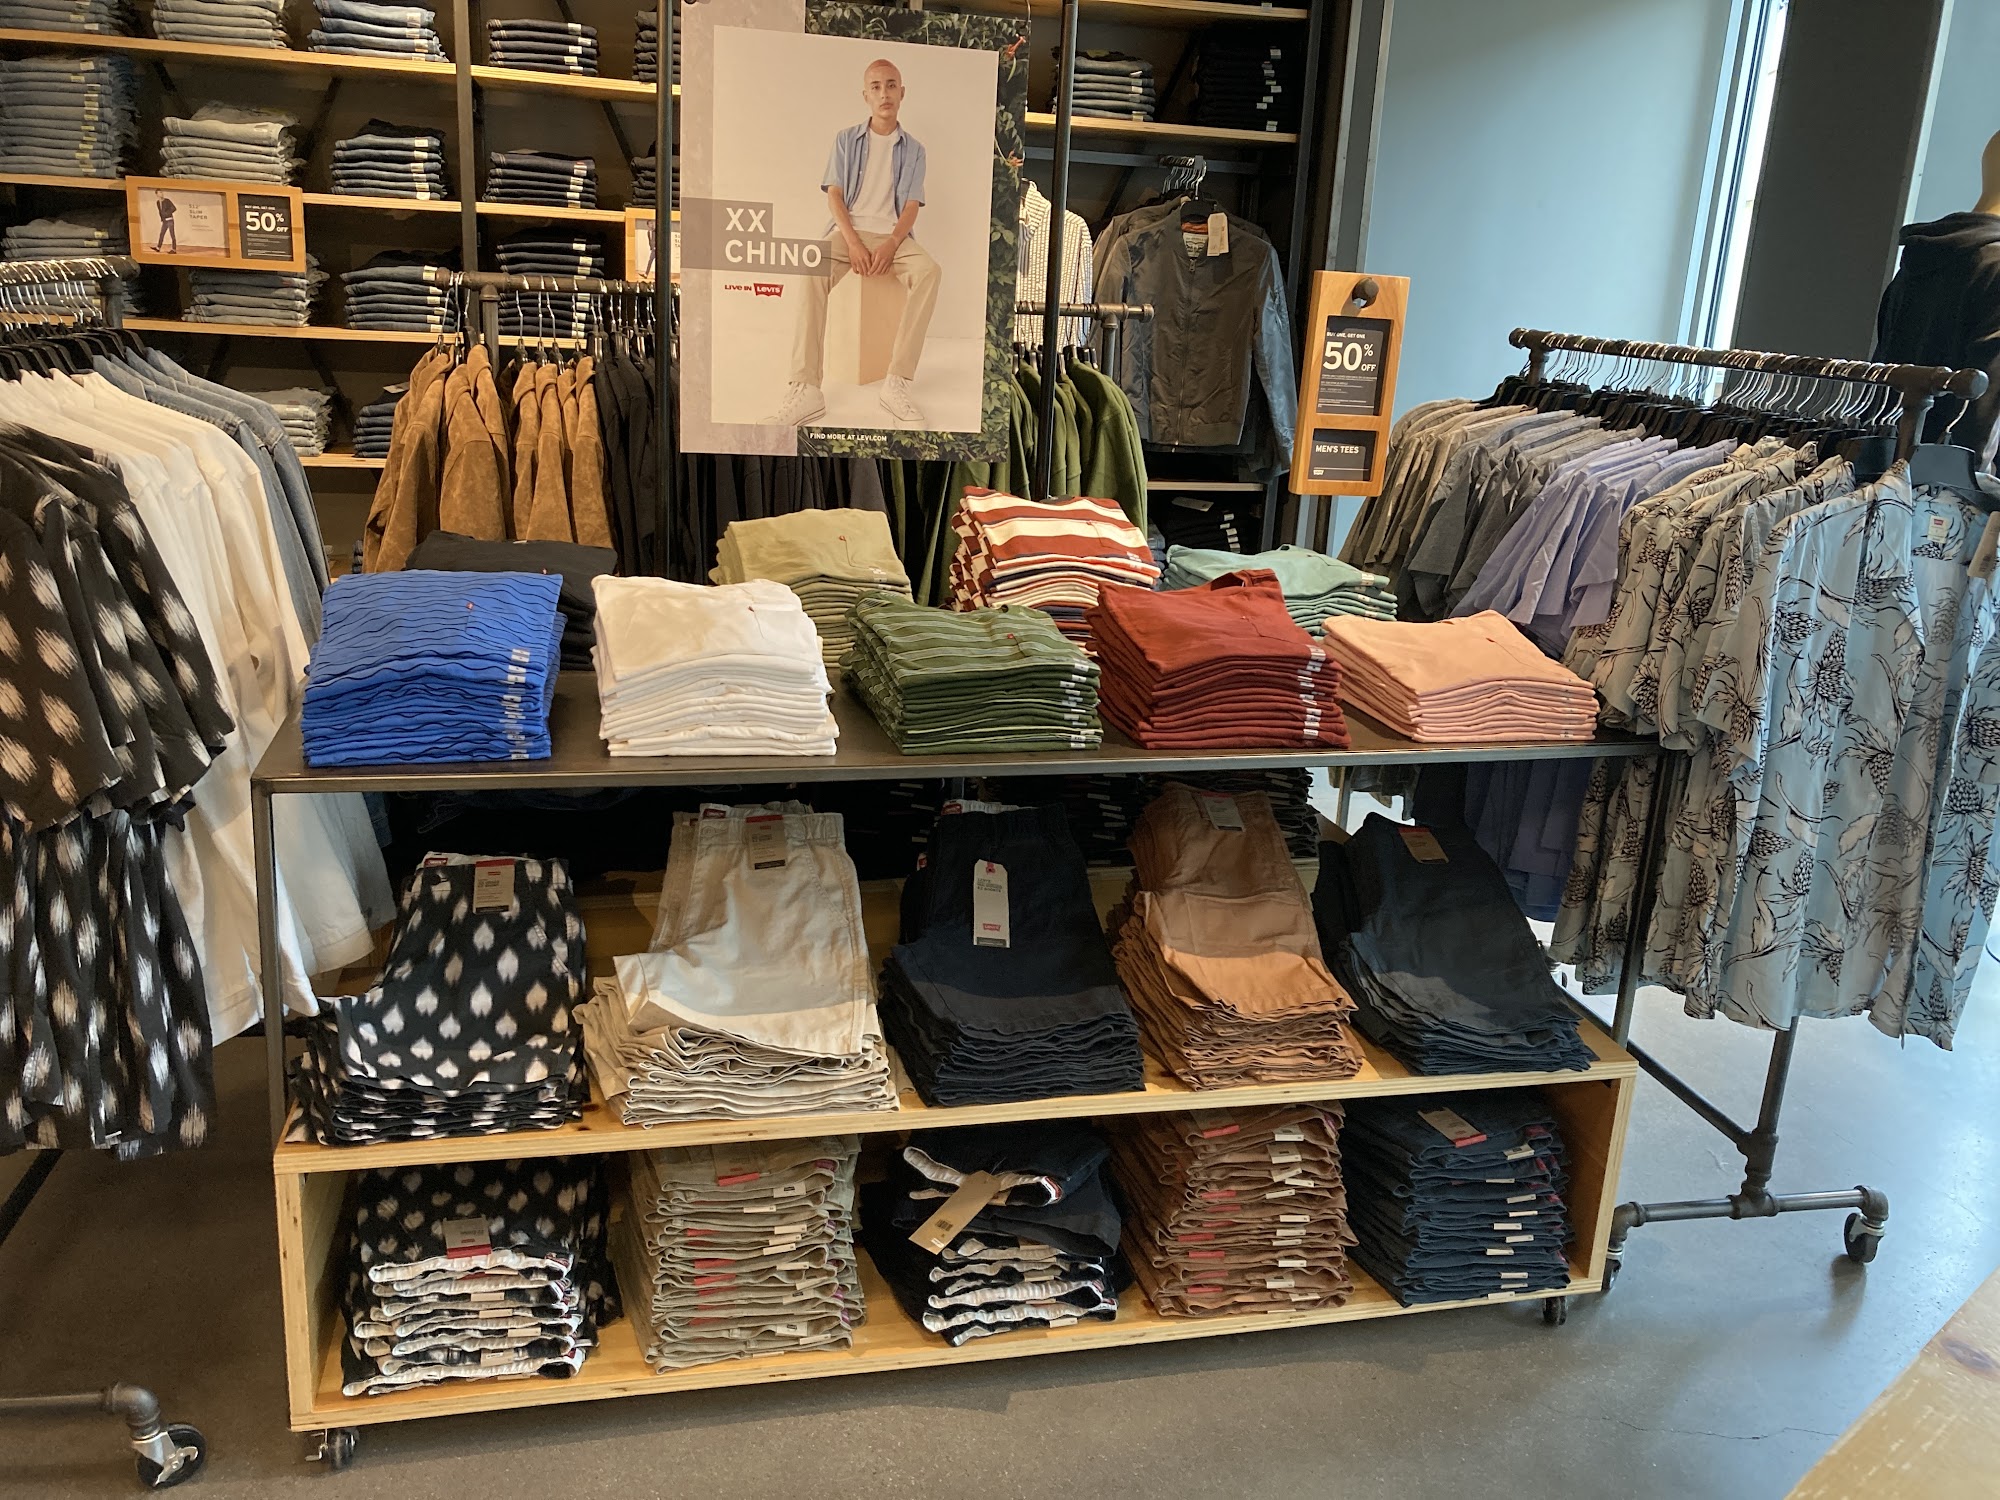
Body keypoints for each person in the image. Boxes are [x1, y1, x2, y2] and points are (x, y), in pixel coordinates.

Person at [768, 57, 943, 429]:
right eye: (876, 87)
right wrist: (853, 243)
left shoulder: (915, 150)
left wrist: (891, 243)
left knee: (929, 272)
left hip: (894, 238)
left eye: (891, 85)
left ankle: (897, 382)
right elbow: (834, 195)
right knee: (812, 268)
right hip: (849, 233)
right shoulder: (846, 140)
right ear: (865, 95)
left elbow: (911, 206)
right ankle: (806, 387)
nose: (884, 93)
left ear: (902, 92)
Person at [1873, 128, 2000, 468]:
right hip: (1954, 486)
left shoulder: (1918, 261)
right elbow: (1984, 418)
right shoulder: (1995, 266)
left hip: (1885, 468)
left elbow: (1877, 383)